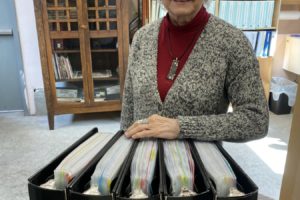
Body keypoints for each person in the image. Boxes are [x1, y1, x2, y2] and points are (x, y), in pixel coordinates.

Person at [121, 0, 269, 141]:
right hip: (142, 161)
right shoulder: (141, 38)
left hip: (197, 164)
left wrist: (183, 127)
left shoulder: (233, 42)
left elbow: (256, 119)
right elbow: (128, 108)